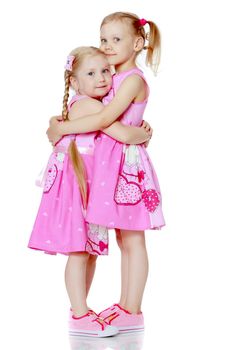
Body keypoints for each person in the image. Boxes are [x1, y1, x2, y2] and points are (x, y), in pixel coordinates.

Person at [47, 11, 165, 333]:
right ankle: (126, 307)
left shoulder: (134, 80)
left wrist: (61, 127)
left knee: (133, 239)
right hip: (108, 169)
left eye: (116, 39)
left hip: (126, 169)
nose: (108, 46)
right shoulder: (109, 78)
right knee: (123, 238)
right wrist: (57, 125)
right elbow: (90, 107)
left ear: (138, 43)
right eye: (103, 39)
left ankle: (132, 307)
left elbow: (103, 121)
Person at [28, 45, 152, 337]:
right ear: (74, 81)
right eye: (91, 73)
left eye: (106, 71)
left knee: (89, 251)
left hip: (88, 188)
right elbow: (121, 132)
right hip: (76, 188)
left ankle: (81, 311)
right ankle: (79, 314)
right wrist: (144, 133)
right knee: (80, 251)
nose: (102, 78)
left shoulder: (95, 103)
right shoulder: (88, 106)